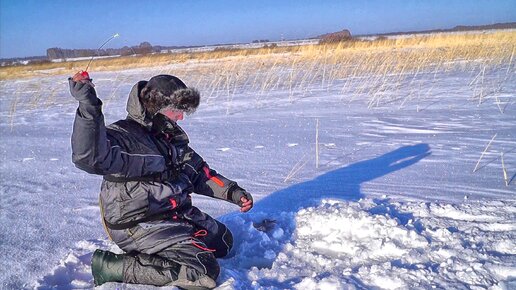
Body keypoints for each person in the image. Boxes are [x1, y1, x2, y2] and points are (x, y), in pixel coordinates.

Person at [68, 72, 253, 289]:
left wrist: (233, 192)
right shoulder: (124, 137)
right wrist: (88, 104)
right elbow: (89, 157)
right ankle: (113, 266)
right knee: (202, 270)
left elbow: (199, 173)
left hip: (173, 215)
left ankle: (176, 247)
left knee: (223, 241)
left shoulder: (170, 138)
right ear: (157, 109)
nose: (181, 118)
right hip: (138, 223)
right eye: (176, 111)